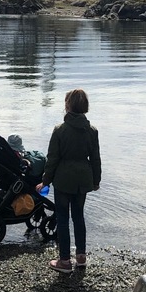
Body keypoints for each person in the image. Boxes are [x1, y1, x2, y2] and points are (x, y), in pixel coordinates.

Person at [36, 88, 101, 273]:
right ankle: (81, 256)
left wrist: (45, 181)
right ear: (85, 106)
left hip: (63, 179)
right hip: (83, 179)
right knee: (79, 216)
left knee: (63, 218)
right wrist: (96, 180)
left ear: (67, 105)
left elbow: (52, 159)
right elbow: (95, 159)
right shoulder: (92, 131)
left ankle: (64, 261)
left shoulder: (60, 130)